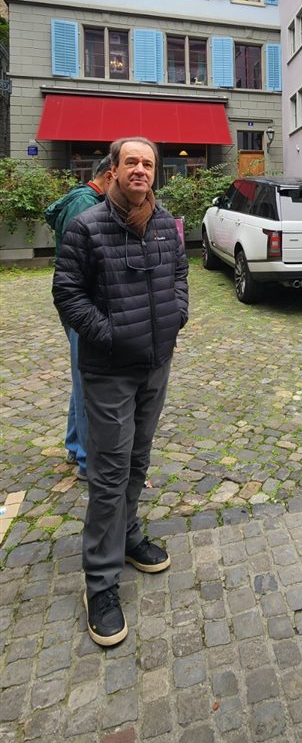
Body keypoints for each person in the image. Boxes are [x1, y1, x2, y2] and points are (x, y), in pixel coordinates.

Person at [52, 137, 189, 648]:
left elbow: (180, 275)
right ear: (112, 170)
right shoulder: (88, 226)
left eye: (147, 163)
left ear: (155, 173)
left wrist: (176, 320)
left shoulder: (165, 224)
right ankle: (100, 584)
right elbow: (66, 292)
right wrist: (109, 335)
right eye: (130, 162)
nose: (139, 170)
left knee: (137, 460)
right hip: (109, 370)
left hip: (156, 364)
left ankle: (129, 537)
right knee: (108, 475)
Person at [46, 155, 113, 479]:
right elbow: (86, 264)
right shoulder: (85, 205)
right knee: (88, 378)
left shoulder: (77, 197)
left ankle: (75, 445)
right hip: (81, 303)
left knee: (81, 374)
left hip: (76, 301)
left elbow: (50, 213)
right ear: (110, 176)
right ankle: (88, 460)